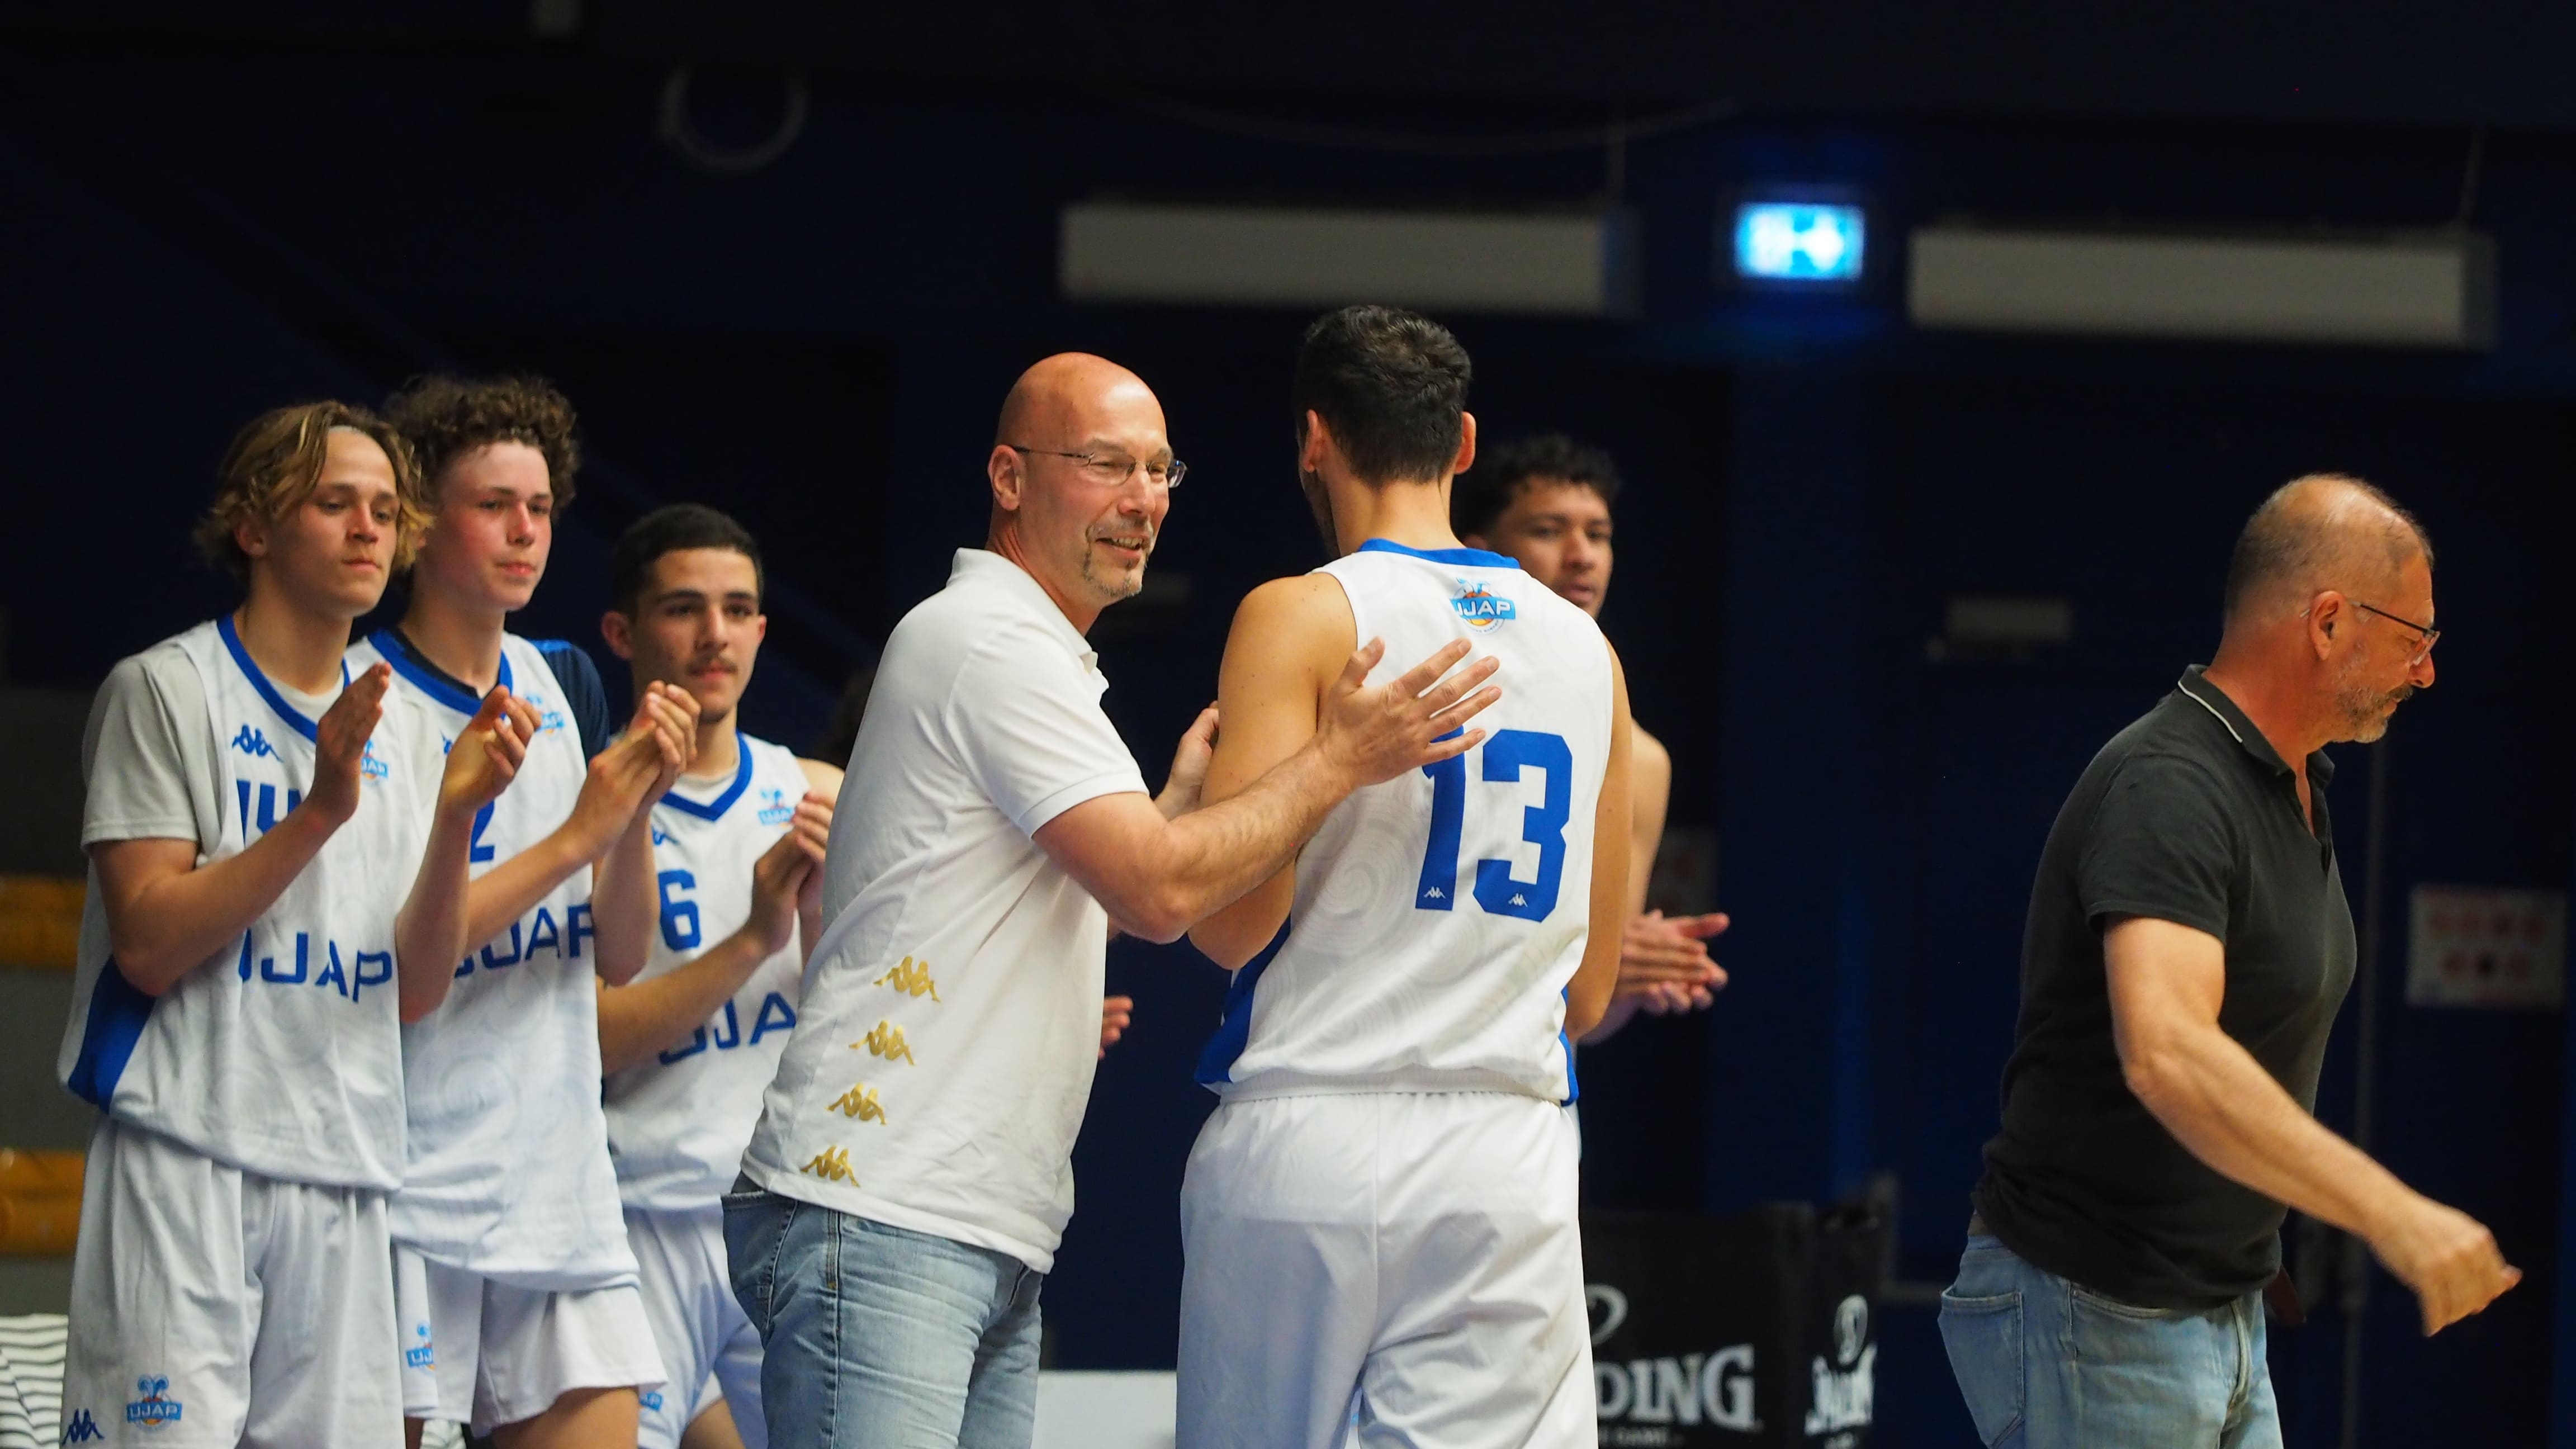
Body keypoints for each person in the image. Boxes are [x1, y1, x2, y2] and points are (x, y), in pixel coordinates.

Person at [727, 352, 1501, 1449]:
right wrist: (1338, 761)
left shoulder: (1029, 650)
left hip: (965, 1216)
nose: (1144, 501)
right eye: (1105, 465)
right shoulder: (990, 639)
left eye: (1159, 470)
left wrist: (1174, 805)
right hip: (885, 1203)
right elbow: (1160, 891)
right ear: (1008, 477)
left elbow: (1095, 883)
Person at [1940, 475, 2517, 1447]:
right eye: (2414, 638)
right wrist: (2392, 1213)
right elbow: (2168, 1053)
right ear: (2328, 622)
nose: (2424, 673)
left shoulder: (2295, 786)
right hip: (2098, 1310)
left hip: (2220, 1311)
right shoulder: (2170, 783)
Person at [1177, 306, 1632, 1448]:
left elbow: (1232, 926)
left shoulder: (1299, 613)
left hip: (1313, 1124)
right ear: (1464, 443)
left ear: (1314, 440)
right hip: (1506, 1149)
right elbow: (1587, 995)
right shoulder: (1590, 652)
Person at [55, 402, 532, 1447]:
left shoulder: (408, 722)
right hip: (187, 1149)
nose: (369, 530)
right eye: (333, 504)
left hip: (348, 1161)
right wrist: (319, 811)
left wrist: (456, 819)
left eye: (385, 511)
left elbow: (415, 990)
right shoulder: (165, 689)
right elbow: (147, 943)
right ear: (253, 526)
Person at [351, 375, 694, 1449]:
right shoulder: (362, 698)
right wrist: (574, 839)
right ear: (418, 523)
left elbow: (622, 954)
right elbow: (401, 967)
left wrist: (633, 806)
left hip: (556, 1181)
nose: (525, 531)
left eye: (540, 508)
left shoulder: (564, 680)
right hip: (407, 1184)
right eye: (493, 504)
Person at [593, 504, 839, 1449]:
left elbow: (877, 1024)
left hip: (784, 1212)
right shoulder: (585, 804)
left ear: (763, 630)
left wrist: (816, 921)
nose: (714, 634)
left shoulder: (816, 792)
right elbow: (591, 1038)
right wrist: (752, 939)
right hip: (635, 1215)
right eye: (683, 608)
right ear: (622, 632)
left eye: (737, 610)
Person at [1454, 434, 1729, 1040]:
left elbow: (1589, 1015)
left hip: (1531, 1077)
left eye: (1598, 535)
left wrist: (1631, 976)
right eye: (1548, 531)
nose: (1581, 556)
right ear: (1481, 553)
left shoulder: (1642, 757)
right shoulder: (1431, 699)